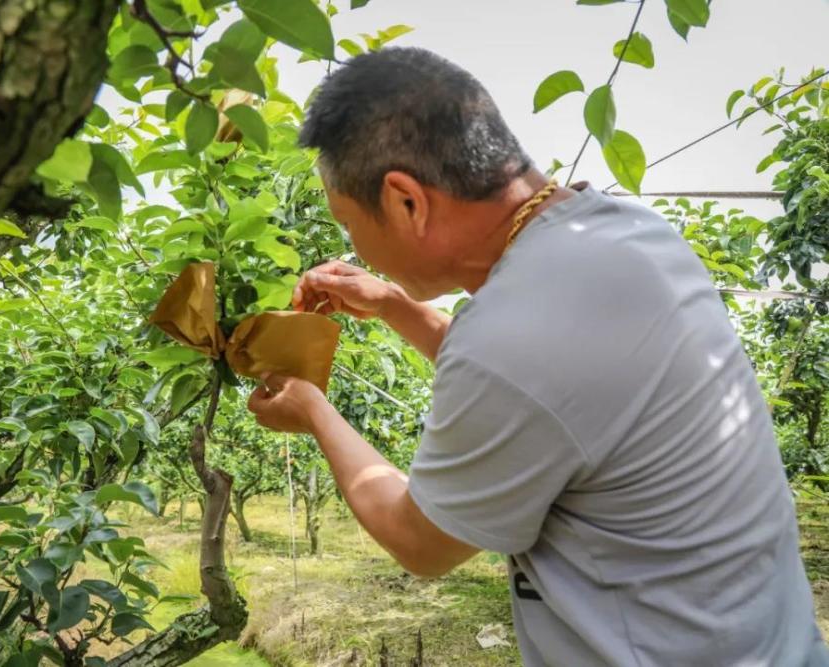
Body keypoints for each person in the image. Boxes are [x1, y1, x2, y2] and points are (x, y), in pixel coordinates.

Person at [246, 47, 828, 666]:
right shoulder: (627, 230)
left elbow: (419, 543)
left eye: (347, 222)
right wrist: (394, 304)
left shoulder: (509, 342)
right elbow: (551, 390)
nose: (351, 246)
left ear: (404, 201)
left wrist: (312, 410)